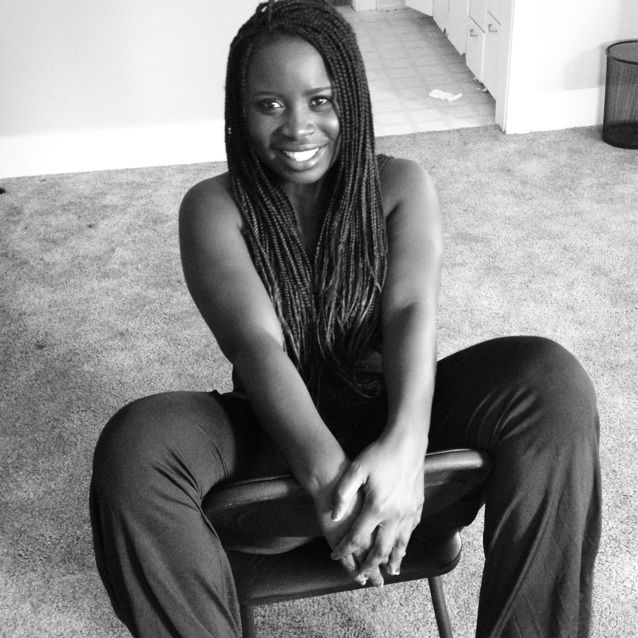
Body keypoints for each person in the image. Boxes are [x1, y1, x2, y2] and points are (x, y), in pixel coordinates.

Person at [89, 1, 601, 636]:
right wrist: (334, 488)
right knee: (136, 444)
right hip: (278, 450)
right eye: (269, 104)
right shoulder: (212, 207)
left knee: (551, 380)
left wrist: (406, 452)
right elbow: (257, 346)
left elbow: (411, 311)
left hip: (401, 456)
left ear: (352, 101)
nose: (298, 126)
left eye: (321, 100)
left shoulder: (401, 184)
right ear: (239, 111)